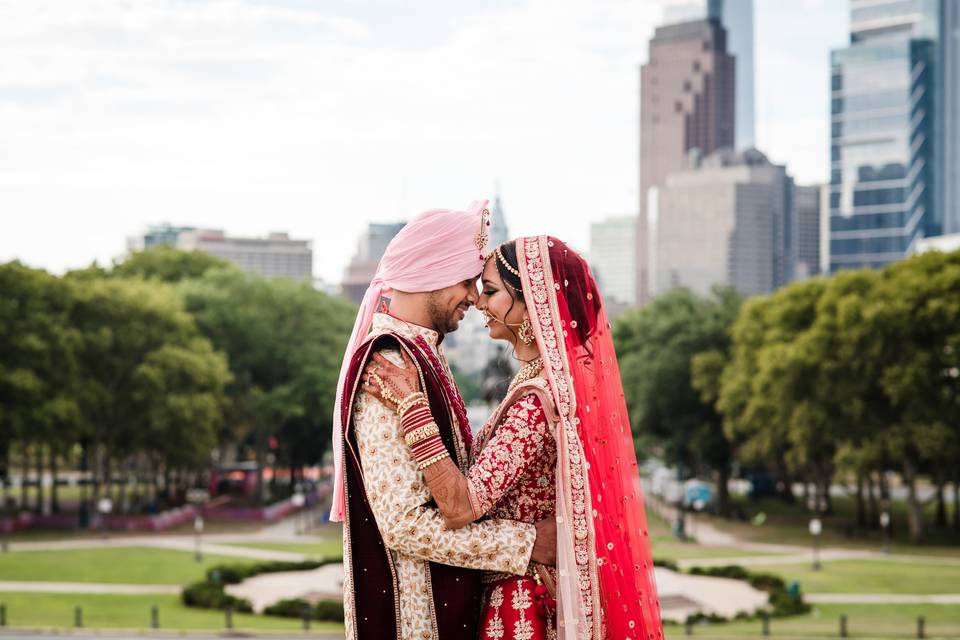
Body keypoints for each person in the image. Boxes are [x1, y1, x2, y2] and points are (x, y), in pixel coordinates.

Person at [364, 236, 664, 640]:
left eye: (490, 291)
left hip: (522, 605)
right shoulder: (537, 386)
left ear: (530, 303)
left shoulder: (535, 404)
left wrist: (412, 408)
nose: (479, 303)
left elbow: (460, 506)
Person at [332, 203, 557, 640]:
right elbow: (403, 524)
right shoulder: (389, 362)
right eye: (466, 281)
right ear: (431, 274)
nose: (474, 298)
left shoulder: (424, 354)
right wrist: (527, 542)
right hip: (414, 619)